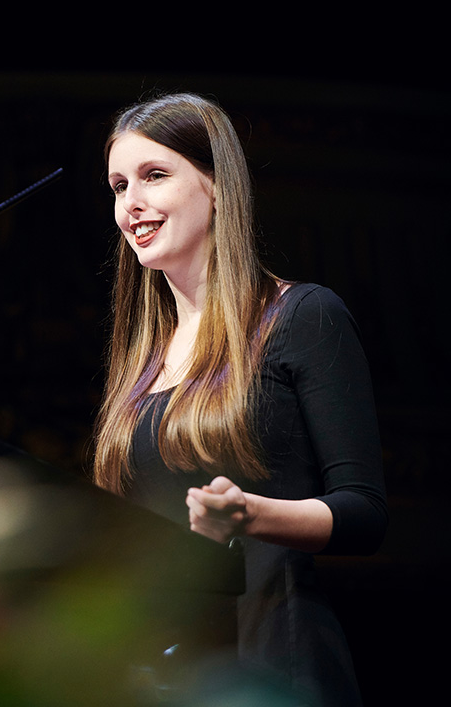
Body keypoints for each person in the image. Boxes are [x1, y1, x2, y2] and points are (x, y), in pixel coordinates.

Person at [93, 93, 387, 705]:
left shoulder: (301, 316)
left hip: (272, 663)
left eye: (155, 176)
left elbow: (363, 513)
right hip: (166, 676)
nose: (131, 205)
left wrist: (251, 514)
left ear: (219, 185)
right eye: (119, 185)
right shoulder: (141, 362)